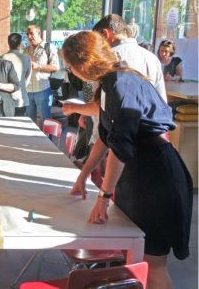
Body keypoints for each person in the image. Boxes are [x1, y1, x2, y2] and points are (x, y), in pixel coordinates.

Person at [63, 31, 192, 289]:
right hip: (138, 175)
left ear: (83, 64)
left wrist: (104, 196)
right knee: (136, 255)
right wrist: (82, 175)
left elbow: (120, 146)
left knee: (152, 263)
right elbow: (104, 137)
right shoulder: (109, 83)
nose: (69, 71)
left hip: (156, 177)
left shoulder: (122, 83)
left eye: (70, 66)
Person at [24, 24, 60, 127]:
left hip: (43, 90)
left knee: (46, 121)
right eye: (27, 34)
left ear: (39, 33)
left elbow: (55, 67)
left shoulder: (49, 47)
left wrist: (38, 66)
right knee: (29, 123)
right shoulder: (26, 50)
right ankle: (31, 143)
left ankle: (49, 142)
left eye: (31, 33)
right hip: (28, 91)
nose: (29, 37)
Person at [1, 33, 31, 116]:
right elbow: (28, 79)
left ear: (8, 43)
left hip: (5, 99)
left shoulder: (1, 58)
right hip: (21, 97)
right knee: (18, 124)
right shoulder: (26, 58)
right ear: (20, 44)